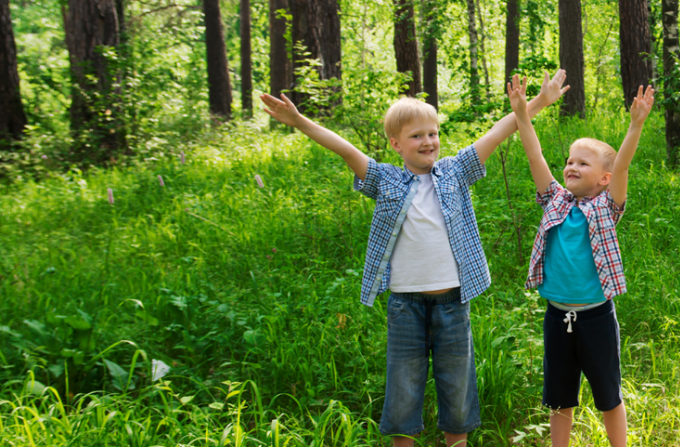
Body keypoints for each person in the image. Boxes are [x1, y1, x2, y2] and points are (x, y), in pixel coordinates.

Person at [259, 70, 569, 447]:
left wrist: (536, 103)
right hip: (405, 305)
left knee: (457, 390)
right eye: (417, 136)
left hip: (453, 302)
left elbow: (498, 132)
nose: (428, 141)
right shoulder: (385, 179)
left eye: (433, 133)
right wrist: (299, 121)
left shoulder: (455, 171)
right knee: (404, 391)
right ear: (395, 144)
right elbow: (344, 148)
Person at [507, 74, 655, 447]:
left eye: (582, 164)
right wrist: (523, 114)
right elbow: (534, 155)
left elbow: (622, 166)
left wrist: (635, 125)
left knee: (608, 395)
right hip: (557, 316)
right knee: (559, 399)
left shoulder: (607, 208)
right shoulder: (553, 199)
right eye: (570, 161)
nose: (571, 167)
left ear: (604, 179)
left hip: (596, 318)